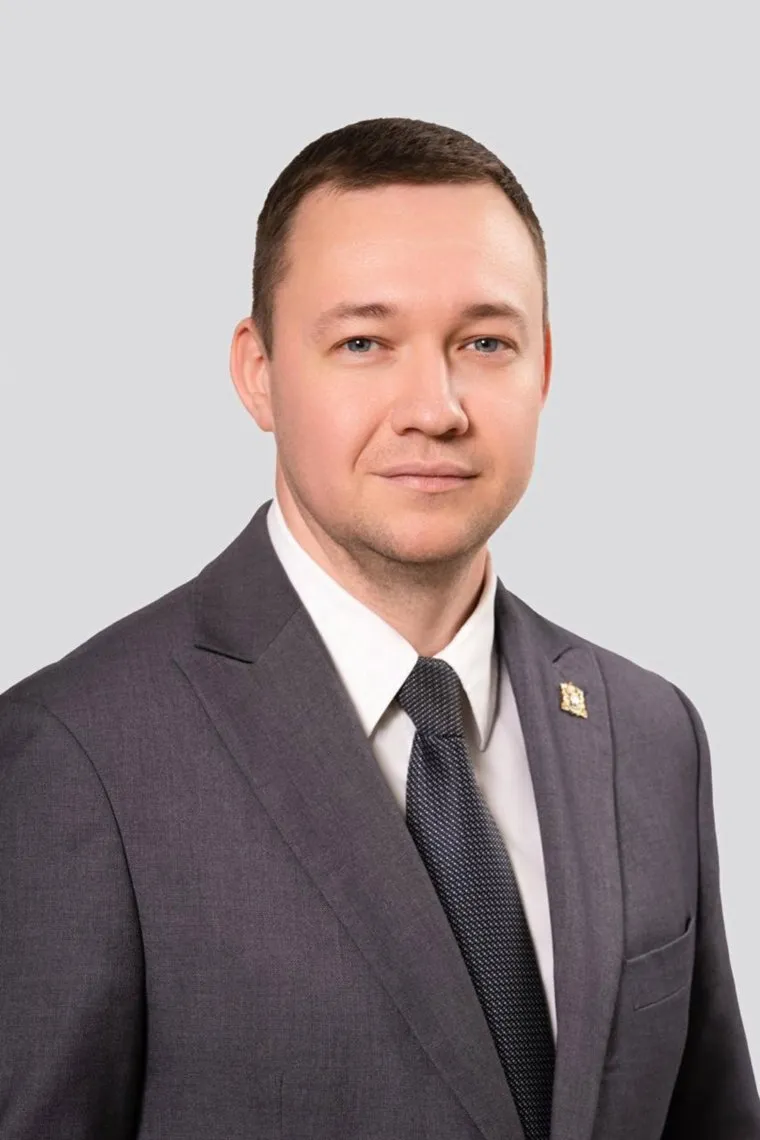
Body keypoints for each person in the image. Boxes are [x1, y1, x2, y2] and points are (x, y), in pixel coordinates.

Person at [0, 116, 757, 1140]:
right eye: (363, 343)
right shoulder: (75, 756)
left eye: (484, 343)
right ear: (259, 372)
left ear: (543, 369)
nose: (434, 407)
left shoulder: (652, 735)